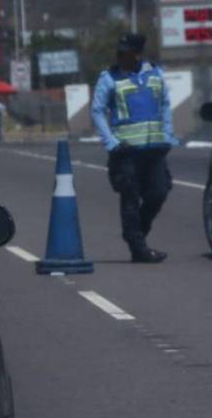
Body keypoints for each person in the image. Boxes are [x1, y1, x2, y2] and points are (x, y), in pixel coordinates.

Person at [91, 33, 177, 263]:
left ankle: (136, 233)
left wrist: (168, 135)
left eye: (125, 53)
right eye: (119, 53)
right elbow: (98, 110)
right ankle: (138, 248)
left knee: (159, 192)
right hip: (126, 151)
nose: (120, 57)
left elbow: (166, 105)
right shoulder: (110, 78)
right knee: (130, 197)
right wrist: (110, 142)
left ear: (137, 54)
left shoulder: (155, 73)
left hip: (155, 148)